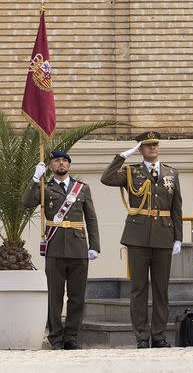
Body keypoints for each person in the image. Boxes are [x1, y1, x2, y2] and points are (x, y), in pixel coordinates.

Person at [101, 131, 183, 349]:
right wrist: (123, 156)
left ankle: (158, 336)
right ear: (141, 149)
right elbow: (106, 178)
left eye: (155, 144)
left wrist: (178, 238)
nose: (153, 148)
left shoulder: (171, 173)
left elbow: (176, 208)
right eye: (147, 145)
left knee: (160, 289)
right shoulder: (131, 172)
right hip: (137, 237)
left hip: (164, 236)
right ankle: (141, 336)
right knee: (138, 288)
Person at [23, 150, 100, 350]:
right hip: (55, 246)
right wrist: (34, 179)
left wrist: (95, 246)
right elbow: (27, 203)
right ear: (50, 166)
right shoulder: (44, 188)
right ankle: (56, 338)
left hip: (78, 247)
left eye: (65, 160)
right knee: (55, 296)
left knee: (77, 296)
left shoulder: (82, 188)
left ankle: (71, 337)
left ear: (69, 165)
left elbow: (90, 218)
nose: (62, 163)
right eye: (57, 160)